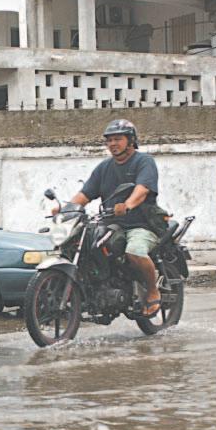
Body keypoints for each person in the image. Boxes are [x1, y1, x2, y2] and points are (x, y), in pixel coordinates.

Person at [54, 119, 163, 317]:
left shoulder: (144, 161)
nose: (113, 144)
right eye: (109, 140)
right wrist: (66, 209)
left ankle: (152, 291)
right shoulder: (104, 167)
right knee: (85, 247)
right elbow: (85, 194)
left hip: (140, 224)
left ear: (130, 141)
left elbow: (142, 190)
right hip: (111, 224)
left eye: (118, 139)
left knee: (134, 251)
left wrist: (128, 205)